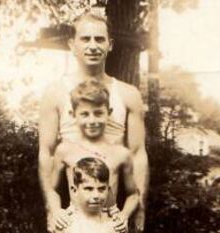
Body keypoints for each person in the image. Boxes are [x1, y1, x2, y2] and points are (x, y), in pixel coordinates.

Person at [38, 12, 149, 233]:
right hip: (74, 218)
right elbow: (47, 152)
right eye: (85, 39)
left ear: (110, 44)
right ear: (72, 44)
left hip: (113, 219)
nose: (93, 46)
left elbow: (138, 153)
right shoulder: (55, 92)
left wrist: (140, 208)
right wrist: (52, 208)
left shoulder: (128, 95)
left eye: (99, 39)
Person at [48, 80, 139, 233]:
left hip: (108, 223)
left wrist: (124, 216)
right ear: (73, 115)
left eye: (98, 113)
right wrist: (56, 211)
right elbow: (52, 189)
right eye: (84, 114)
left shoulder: (121, 153)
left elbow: (133, 194)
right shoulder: (65, 151)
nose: (92, 121)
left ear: (109, 113)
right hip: (76, 224)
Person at [56, 157, 118, 233]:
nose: (96, 195)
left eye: (101, 189)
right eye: (89, 189)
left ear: (108, 190)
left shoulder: (115, 223)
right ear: (74, 190)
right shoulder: (66, 223)